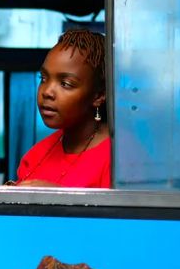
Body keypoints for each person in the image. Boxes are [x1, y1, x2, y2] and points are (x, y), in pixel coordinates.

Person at [9, 29, 110, 188]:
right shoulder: (35, 156)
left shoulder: (120, 159)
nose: (47, 92)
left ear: (98, 96)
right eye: (43, 78)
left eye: (65, 84)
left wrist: (58, 198)